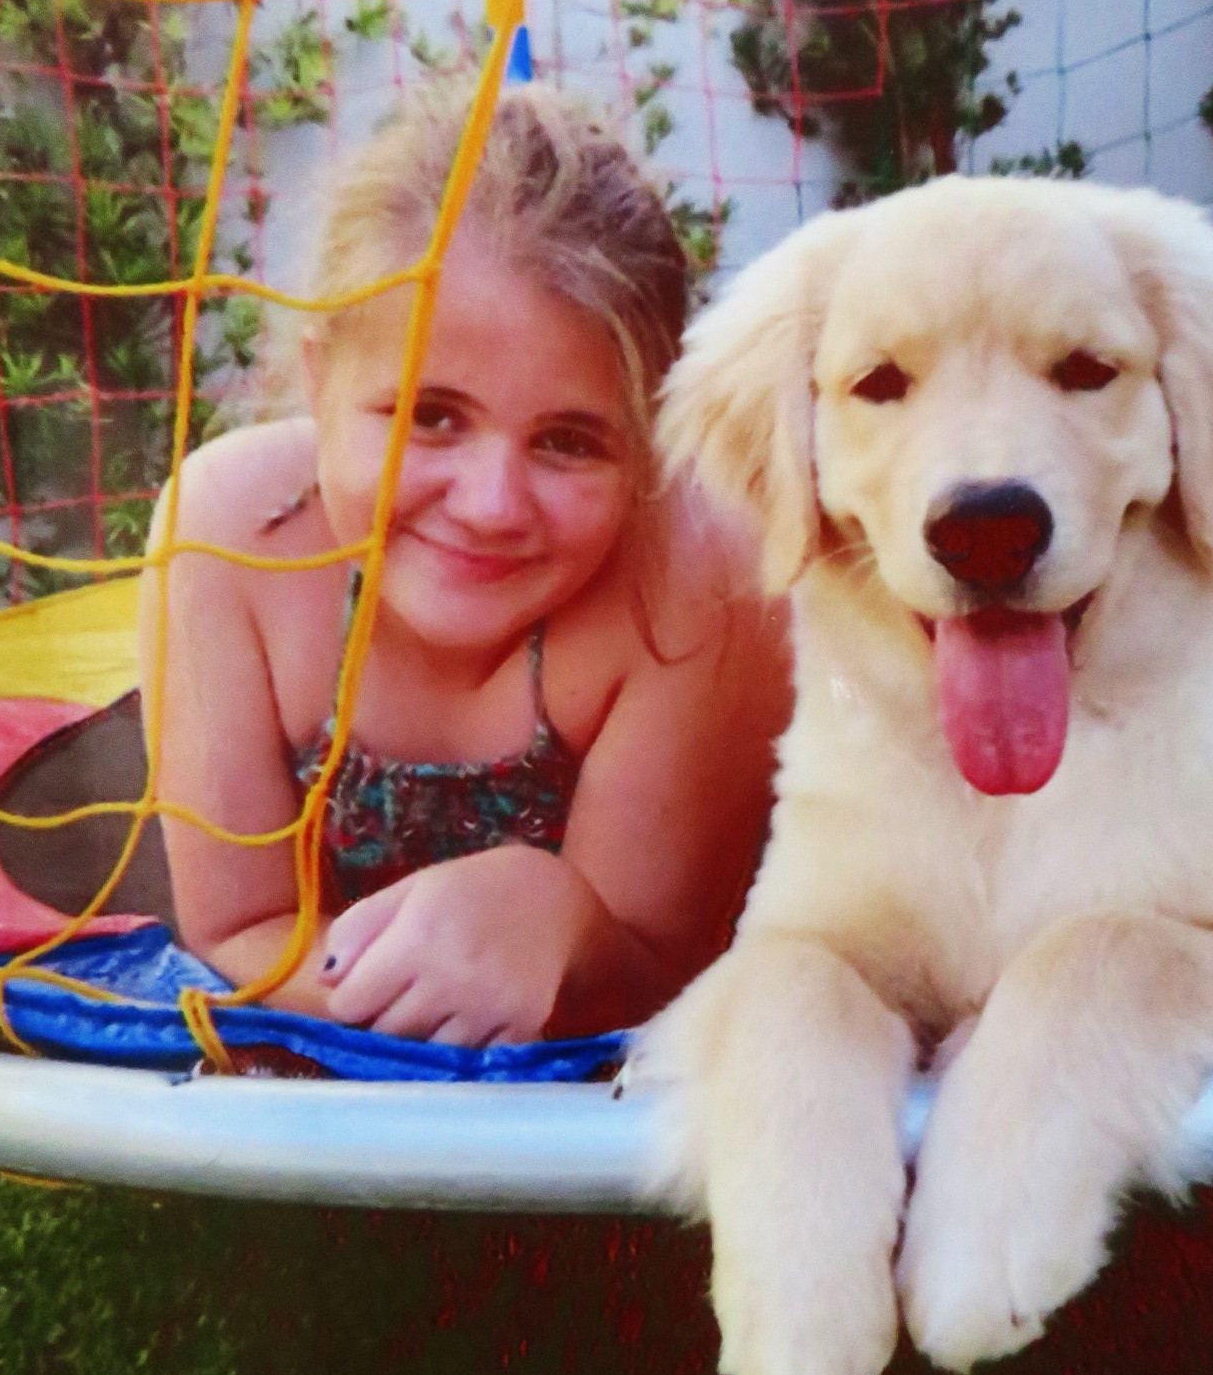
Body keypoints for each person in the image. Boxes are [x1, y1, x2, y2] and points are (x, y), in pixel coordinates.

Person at [137, 77, 790, 1046]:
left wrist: (571, 931)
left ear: (648, 441)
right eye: (430, 416)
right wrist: (412, 996)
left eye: (568, 441)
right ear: (319, 381)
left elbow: (670, 974)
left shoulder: (694, 576)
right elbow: (237, 926)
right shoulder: (227, 535)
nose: (490, 506)